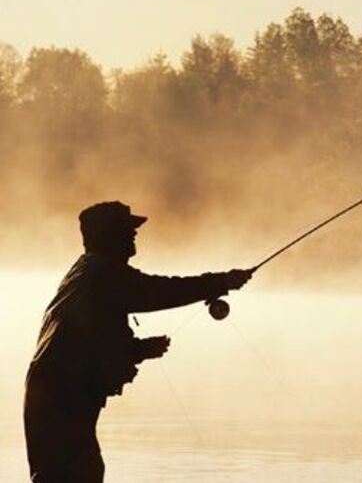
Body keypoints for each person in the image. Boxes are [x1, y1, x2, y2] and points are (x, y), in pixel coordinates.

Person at [23, 201, 252, 483]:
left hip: (52, 392)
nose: (134, 234)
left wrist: (139, 350)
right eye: (126, 229)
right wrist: (221, 282)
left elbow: (86, 338)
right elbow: (161, 291)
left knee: (75, 473)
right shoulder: (106, 274)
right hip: (61, 395)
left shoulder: (86, 271)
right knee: (77, 474)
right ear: (107, 236)